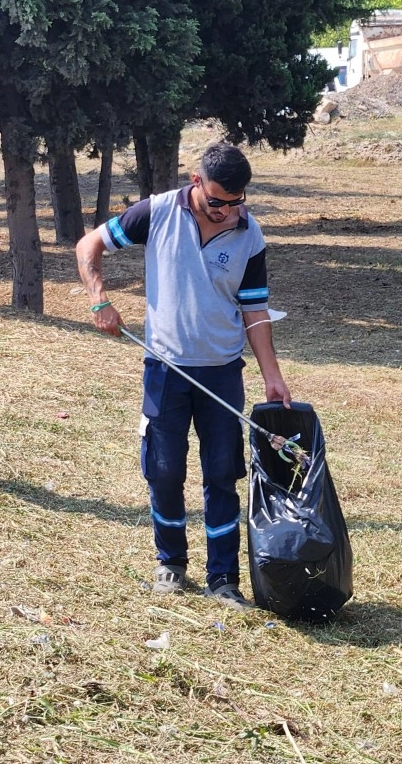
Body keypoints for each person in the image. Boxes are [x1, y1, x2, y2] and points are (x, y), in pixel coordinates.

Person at [75, 141, 291, 609]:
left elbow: (254, 309)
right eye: (218, 202)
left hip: (221, 374)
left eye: (237, 203)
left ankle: (223, 579)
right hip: (165, 369)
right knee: (165, 470)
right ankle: (170, 563)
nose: (228, 212)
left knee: (221, 473)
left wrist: (272, 375)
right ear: (196, 184)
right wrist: (99, 299)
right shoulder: (155, 213)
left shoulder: (249, 234)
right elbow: (88, 245)